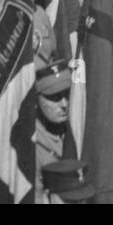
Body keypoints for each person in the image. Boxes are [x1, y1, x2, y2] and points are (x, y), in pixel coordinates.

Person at [35, 63, 72, 203]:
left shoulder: (73, 127)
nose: (64, 104)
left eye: (67, 94)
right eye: (55, 97)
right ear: (36, 100)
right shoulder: (32, 144)